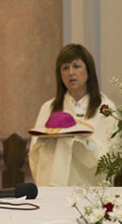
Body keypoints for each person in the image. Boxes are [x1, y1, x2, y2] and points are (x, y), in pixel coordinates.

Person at [28, 44, 116, 187]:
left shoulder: (105, 108)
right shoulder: (48, 108)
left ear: (89, 70)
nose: (71, 73)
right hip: (53, 185)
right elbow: (34, 155)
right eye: (65, 68)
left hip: (89, 186)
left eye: (76, 66)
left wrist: (84, 141)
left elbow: (110, 156)